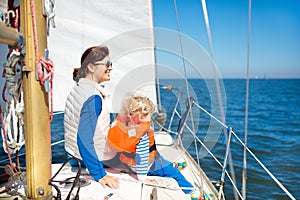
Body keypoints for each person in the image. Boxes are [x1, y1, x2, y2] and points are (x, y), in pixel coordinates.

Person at [107, 95, 202, 200]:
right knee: (174, 173)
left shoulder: (122, 126)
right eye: (149, 115)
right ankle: (194, 193)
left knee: (156, 154)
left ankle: (172, 164)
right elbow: (142, 159)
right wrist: (143, 178)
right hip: (147, 168)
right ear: (141, 117)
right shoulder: (141, 136)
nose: (150, 117)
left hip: (126, 163)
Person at [64, 45, 119, 189]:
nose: (110, 68)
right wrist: (100, 174)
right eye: (107, 64)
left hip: (73, 156)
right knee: (150, 157)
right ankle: (184, 186)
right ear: (91, 67)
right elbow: (84, 139)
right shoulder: (93, 97)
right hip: (94, 158)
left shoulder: (78, 88)